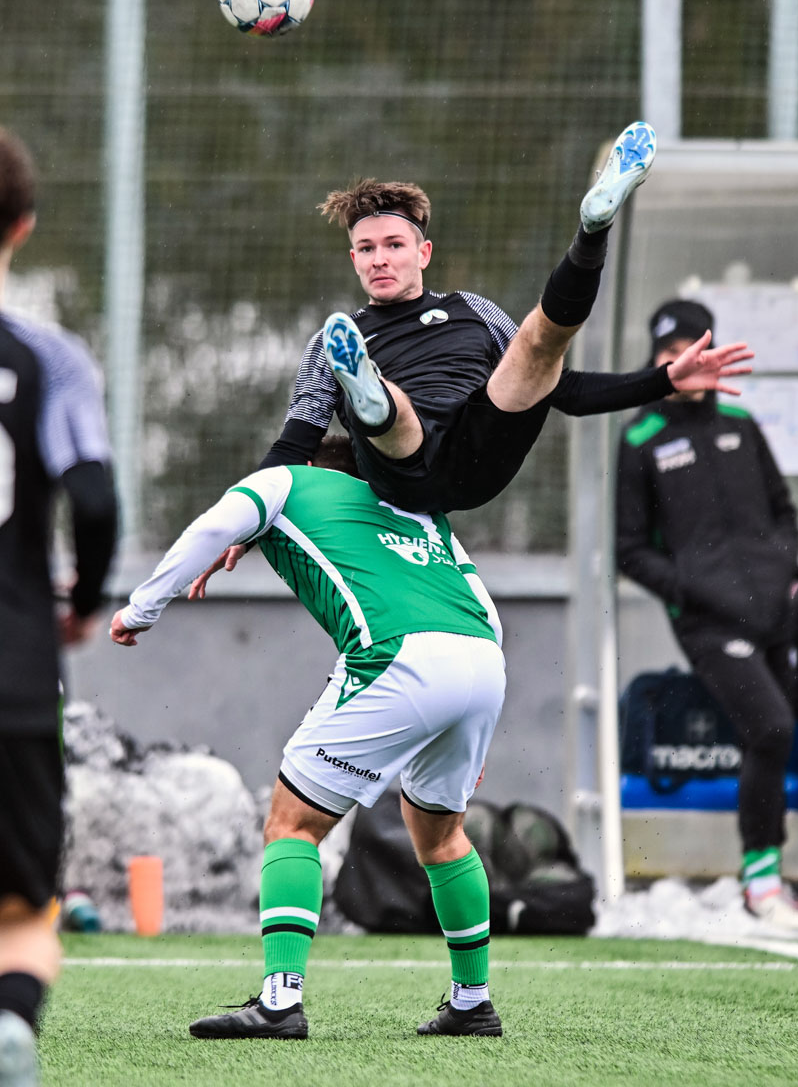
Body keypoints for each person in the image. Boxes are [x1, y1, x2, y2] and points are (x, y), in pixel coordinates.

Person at [111, 436, 508, 1039]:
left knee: (292, 823)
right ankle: (473, 1003)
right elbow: (487, 612)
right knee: (442, 834)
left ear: (310, 462)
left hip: (398, 656)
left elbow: (212, 527)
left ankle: (280, 1002)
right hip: (482, 661)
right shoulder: (421, 509)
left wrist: (140, 609)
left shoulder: (287, 480)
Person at [256, 121, 751, 518]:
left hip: (481, 451)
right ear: (354, 259)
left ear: (423, 253)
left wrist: (665, 379)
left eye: (394, 245)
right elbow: (294, 444)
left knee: (539, 344)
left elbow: (564, 391)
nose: (379, 259)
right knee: (396, 414)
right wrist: (243, 525)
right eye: (366, 249)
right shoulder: (335, 340)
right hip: (402, 468)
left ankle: (593, 228)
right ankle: (371, 395)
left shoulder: (473, 310)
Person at [616, 298, 798, 929]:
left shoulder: (741, 423)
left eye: (694, 348)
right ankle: (761, 883)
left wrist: (788, 573)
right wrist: (690, 591)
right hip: (711, 623)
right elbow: (630, 549)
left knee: (777, 733)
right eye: (671, 353)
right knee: (770, 729)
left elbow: (783, 510)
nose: (684, 361)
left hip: (781, 607)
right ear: (658, 360)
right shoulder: (640, 437)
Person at [0, 128, 118, 1084]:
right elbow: (95, 499)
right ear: (23, 227)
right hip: (14, 667)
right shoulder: (51, 359)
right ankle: (10, 1022)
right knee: (24, 909)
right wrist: (82, 600)